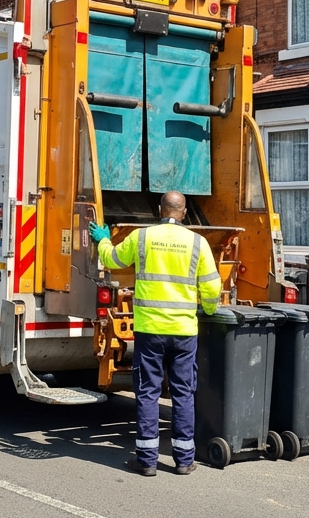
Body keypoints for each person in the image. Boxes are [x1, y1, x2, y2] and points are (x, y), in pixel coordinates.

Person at [90, 191, 221, 476]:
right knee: (183, 393)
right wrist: (209, 310)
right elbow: (211, 287)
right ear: (184, 212)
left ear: (159, 209)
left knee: (148, 392)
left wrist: (101, 238)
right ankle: (184, 460)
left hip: (150, 330)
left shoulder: (142, 237)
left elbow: (112, 260)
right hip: (184, 331)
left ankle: (147, 461)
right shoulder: (198, 243)